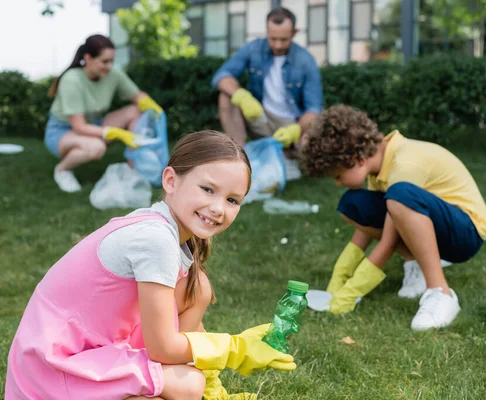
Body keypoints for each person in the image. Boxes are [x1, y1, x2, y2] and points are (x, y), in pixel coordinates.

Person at [6, 131, 295, 400]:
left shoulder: (167, 232)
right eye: (208, 189)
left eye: (232, 199)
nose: (219, 208)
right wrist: (235, 349)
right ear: (170, 180)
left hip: (85, 347)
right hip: (51, 369)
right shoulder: (155, 238)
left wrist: (213, 385)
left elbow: (183, 335)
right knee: (186, 384)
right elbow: (163, 348)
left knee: (198, 289)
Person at [300, 105, 486, 331]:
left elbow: (388, 241)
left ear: (356, 158)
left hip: (465, 234)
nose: (337, 182)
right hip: (434, 224)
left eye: (338, 175)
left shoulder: (404, 165)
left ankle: (440, 292)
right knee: (352, 205)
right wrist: (340, 274)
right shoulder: (380, 165)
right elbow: (369, 228)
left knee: (399, 196)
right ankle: (418, 265)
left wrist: (353, 289)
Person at [45, 34, 164, 193]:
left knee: (137, 111)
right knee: (96, 147)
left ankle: (134, 168)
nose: (109, 66)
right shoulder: (72, 80)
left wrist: (152, 106)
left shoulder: (113, 74)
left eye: (112, 61)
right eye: (104, 61)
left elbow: (137, 97)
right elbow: (79, 127)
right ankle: (62, 170)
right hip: (63, 131)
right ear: (88, 58)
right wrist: (117, 133)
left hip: (94, 124)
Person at [212, 7, 323, 149]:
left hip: (290, 124)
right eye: (273, 38)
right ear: (267, 31)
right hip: (260, 117)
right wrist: (242, 96)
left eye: (284, 39)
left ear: (294, 33)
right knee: (227, 96)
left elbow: (314, 108)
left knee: (313, 129)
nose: (278, 45)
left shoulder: (305, 60)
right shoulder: (253, 48)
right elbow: (223, 75)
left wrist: (296, 130)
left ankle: (294, 160)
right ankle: (239, 154)